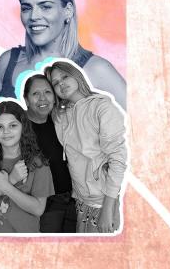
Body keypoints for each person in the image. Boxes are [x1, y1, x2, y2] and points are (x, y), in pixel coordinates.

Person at [0, 0, 126, 109]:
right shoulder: (7, 61)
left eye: (45, 7)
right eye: (26, 8)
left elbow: (140, 124)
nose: (34, 16)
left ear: (68, 11)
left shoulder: (96, 69)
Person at [0, 75, 76, 233]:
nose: (42, 98)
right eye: (35, 94)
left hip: (71, 197)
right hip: (40, 202)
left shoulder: (59, 121)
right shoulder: (15, 126)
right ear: (25, 100)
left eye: (47, 92)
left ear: (54, 97)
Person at [45, 60, 126, 233]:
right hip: (80, 201)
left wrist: (107, 209)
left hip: (102, 201)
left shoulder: (102, 107)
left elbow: (118, 159)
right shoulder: (60, 115)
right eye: (56, 83)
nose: (61, 84)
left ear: (76, 75)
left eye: (65, 76)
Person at [0, 101, 54, 233]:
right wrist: (12, 179)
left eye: (13, 125)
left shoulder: (37, 163)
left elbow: (38, 209)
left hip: (25, 240)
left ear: (23, 127)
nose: (6, 132)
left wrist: (5, 186)